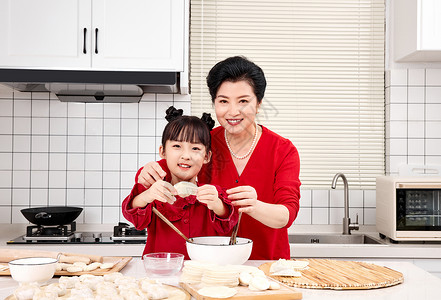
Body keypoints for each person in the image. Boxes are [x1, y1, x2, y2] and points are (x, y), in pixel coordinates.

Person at [138, 56, 301, 260]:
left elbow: (286, 215)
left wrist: (255, 205)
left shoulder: (282, 150)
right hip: (213, 265)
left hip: (266, 264)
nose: (233, 111)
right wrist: (147, 172)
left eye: (243, 101)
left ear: (258, 104)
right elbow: (169, 170)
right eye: (223, 101)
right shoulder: (203, 143)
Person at [122, 106, 239, 259]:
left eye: (195, 148)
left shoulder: (211, 192)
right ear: (163, 151)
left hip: (202, 274)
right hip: (160, 273)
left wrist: (217, 203)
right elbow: (133, 215)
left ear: (206, 157)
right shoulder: (156, 189)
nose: (186, 155)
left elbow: (227, 223)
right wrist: (148, 195)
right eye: (177, 146)